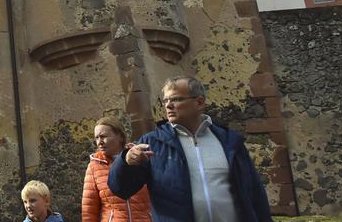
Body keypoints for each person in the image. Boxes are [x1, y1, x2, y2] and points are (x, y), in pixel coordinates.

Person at [108, 76, 272, 222]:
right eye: (165, 101)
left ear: (199, 102)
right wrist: (126, 162)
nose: (168, 106)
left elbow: (255, 193)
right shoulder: (152, 142)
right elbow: (121, 189)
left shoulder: (230, 142)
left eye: (176, 99)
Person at [81, 117, 150, 222]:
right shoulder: (95, 166)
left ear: (120, 137)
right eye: (97, 138)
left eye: (103, 136)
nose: (100, 142)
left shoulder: (140, 158)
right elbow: (89, 209)